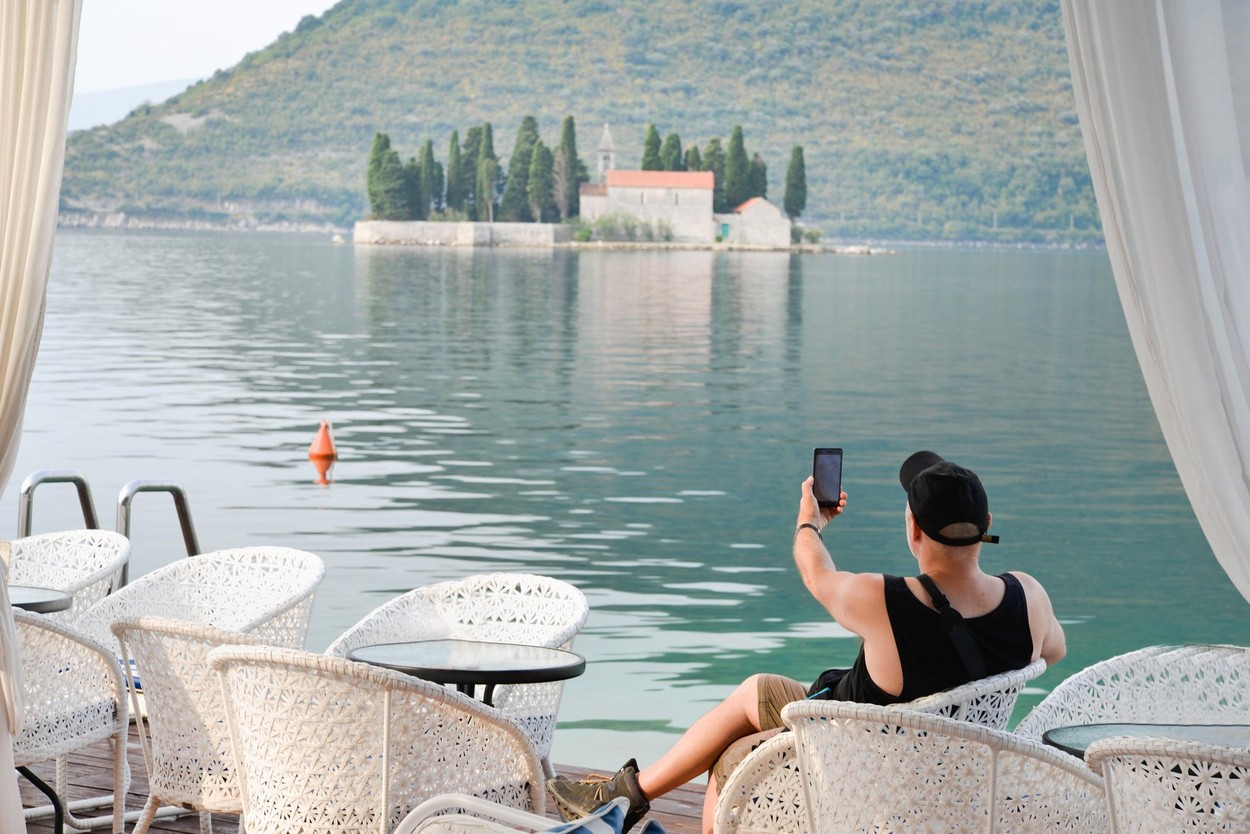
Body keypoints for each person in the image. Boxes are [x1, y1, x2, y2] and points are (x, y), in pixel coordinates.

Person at [547, 450, 1066, 834]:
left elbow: (816, 573)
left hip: (855, 756)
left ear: (913, 530)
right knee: (760, 691)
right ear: (986, 527)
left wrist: (810, 520)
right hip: (950, 767)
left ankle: (622, 798)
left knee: (737, 745)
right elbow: (1052, 652)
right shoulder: (1029, 596)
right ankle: (623, 795)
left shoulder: (886, 600)